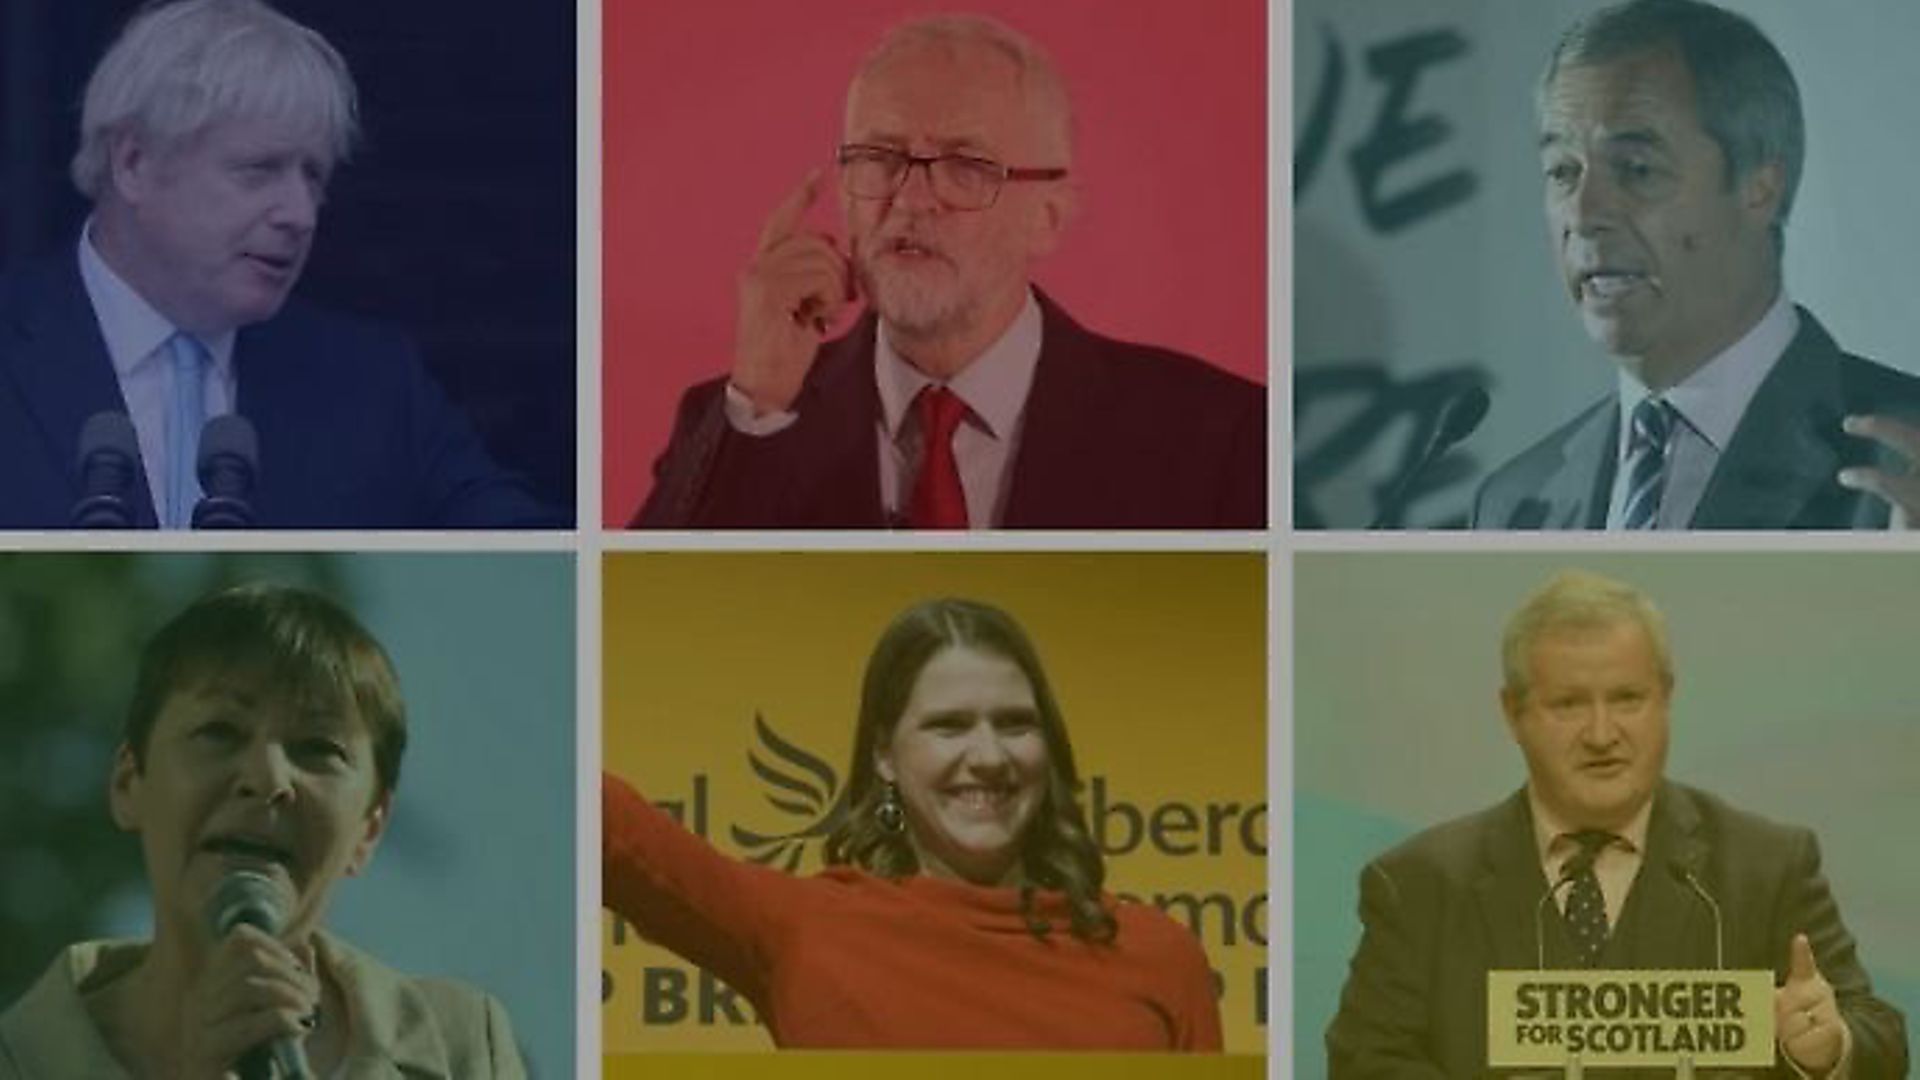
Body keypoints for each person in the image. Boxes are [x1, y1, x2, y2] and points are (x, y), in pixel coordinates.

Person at [633, 15, 1264, 530]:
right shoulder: (741, 418)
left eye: (966, 165)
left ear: (1048, 215)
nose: (911, 197)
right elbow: (643, 627)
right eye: (880, 157)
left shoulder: (1216, 435)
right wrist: (760, 399)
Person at [0, 0, 561, 530]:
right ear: (134, 164)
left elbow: (537, 555)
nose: (300, 214)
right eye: (258, 170)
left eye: (312, 176)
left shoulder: (374, 386)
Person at [1325, 570, 1907, 1077]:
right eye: (1570, 704)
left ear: (1666, 699)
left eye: (1628, 698)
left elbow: (1878, 1036)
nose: (1602, 735)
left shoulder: (1768, 864)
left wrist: (1828, 1049)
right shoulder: (1420, 883)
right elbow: (1365, 1061)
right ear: (1515, 712)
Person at [602, 597, 1221, 1048]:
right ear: (884, 755)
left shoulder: (1160, 954)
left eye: (1014, 723)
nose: (989, 757)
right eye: (948, 725)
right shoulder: (800, 928)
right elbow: (614, 832)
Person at [0, 584, 526, 1077]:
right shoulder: (23, 1057)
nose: (268, 779)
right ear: (128, 782)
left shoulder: (464, 1046)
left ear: (370, 827)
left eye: (318, 749)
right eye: (219, 732)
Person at [1473, 0, 1920, 530]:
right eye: (1562, 171)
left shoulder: (1901, 454)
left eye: (1637, 169)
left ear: (1760, 187)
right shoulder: (1515, 504)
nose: (1584, 214)